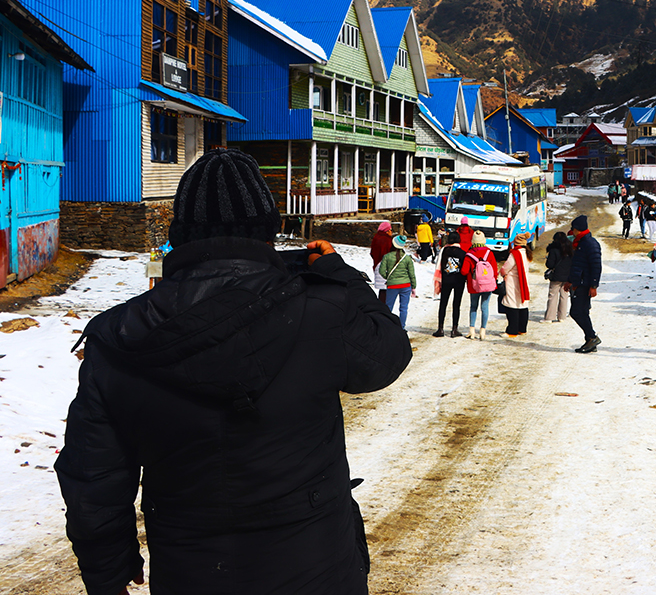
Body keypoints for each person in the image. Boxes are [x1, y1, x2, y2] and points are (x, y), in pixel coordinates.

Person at [55, 148, 412, 595]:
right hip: (317, 566)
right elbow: (389, 354)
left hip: (191, 570)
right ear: (270, 230)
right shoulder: (320, 311)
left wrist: (106, 573)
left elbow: (94, 476)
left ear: (178, 234)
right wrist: (342, 276)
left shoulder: (120, 335)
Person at [566, 215, 602, 353]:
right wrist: (570, 280)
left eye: (573, 229)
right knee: (582, 312)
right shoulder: (580, 243)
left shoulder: (590, 244)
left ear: (577, 229)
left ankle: (592, 337)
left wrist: (593, 286)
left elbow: (596, 266)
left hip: (584, 284)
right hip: (578, 283)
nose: (572, 232)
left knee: (577, 312)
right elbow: (576, 265)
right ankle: (590, 340)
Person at [464, 231, 498, 340]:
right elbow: (495, 270)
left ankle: (472, 331)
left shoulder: (469, 254)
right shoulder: (489, 253)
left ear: (473, 241)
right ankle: (483, 331)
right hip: (487, 285)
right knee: (485, 307)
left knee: (473, 307)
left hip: (474, 286)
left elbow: (464, 271)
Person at [434, 229, 468, 338]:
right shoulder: (463, 253)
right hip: (459, 281)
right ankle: (454, 329)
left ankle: (440, 329)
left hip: (446, 280)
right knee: (456, 304)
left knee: (443, 303)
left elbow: (438, 265)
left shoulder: (444, 251)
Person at [379, 235, 417, 329]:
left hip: (392, 286)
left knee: (388, 307)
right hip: (406, 285)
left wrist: (389, 278)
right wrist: (414, 285)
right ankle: (402, 327)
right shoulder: (407, 258)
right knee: (403, 308)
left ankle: (387, 326)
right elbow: (412, 274)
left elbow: (381, 271)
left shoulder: (387, 257)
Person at [500, 233, 532, 336]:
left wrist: (502, 273)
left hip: (513, 282)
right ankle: (522, 329)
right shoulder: (527, 253)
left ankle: (512, 330)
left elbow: (505, 267)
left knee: (512, 305)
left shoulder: (515, 253)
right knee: (522, 305)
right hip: (523, 282)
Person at [543, 231, 573, 322]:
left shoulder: (554, 250)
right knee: (564, 296)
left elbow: (550, 264)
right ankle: (562, 316)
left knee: (553, 296)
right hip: (567, 276)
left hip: (556, 276)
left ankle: (549, 317)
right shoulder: (570, 249)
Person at [369, 220, 393, 303]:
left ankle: (381, 305)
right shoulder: (387, 240)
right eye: (391, 230)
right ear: (387, 230)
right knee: (386, 290)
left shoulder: (376, 237)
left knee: (382, 289)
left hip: (377, 264)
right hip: (386, 266)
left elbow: (372, 252)